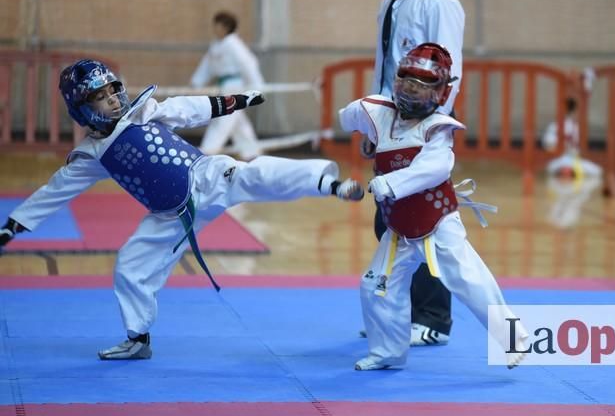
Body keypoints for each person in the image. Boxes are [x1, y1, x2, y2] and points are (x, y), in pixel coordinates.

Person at [0, 59, 363, 360]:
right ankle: (138, 338)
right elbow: (56, 191)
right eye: (99, 97)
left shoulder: (144, 111)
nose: (112, 100)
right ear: (81, 110)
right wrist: (13, 226)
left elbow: (191, 109)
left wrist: (236, 101)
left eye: (113, 90)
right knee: (131, 264)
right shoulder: (91, 156)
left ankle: (329, 184)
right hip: (170, 217)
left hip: (207, 177)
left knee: (254, 174)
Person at [340, 43, 526, 370]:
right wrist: (368, 133)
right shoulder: (379, 112)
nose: (410, 92)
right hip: (399, 228)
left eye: (419, 86)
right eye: (405, 83)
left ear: (440, 93)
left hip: (438, 221)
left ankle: (514, 338)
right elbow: (348, 116)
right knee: (375, 285)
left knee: (470, 280)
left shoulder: (438, 129)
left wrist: (390, 183)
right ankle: (388, 352)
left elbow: (434, 169)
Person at [363, 0, 465, 346]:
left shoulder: (438, 1)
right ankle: (400, 314)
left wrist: (431, 132)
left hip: (423, 131)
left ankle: (435, 320)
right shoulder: (389, 3)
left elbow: (450, 73)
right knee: (388, 222)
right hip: (393, 126)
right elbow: (385, 70)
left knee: (425, 223)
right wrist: (374, 123)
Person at [190, 11, 263, 161]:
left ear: (225, 27)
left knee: (223, 116)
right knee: (237, 120)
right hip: (223, 85)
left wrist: (258, 86)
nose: (215, 28)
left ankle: (207, 152)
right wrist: (197, 82)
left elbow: (249, 64)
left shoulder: (233, 44)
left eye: (217, 25)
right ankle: (251, 152)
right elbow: (207, 66)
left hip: (235, 85)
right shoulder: (216, 45)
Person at [542, 97, 601, 180]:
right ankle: (564, 170)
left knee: (596, 170)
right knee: (557, 165)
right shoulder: (554, 126)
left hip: (574, 160)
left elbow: (581, 150)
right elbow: (549, 147)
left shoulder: (576, 127)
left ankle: (569, 170)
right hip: (559, 159)